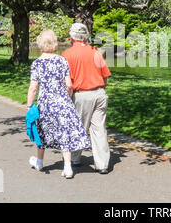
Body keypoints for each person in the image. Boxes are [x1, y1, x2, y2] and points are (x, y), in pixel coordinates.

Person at [26, 30, 91, 179]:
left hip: (45, 103)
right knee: (64, 132)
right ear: (55, 43)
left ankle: (40, 162)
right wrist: (67, 98)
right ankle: (67, 167)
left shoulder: (36, 63)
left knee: (41, 131)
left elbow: (33, 87)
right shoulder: (62, 60)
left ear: (40, 44)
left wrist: (29, 105)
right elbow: (69, 85)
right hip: (62, 102)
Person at [62, 23, 111, 174]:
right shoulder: (95, 52)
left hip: (81, 94)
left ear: (71, 37)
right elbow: (105, 76)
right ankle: (102, 164)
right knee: (99, 129)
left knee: (79, 127)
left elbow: (67, 82)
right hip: (100, 93)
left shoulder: (67, 55)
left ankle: (75, 159)